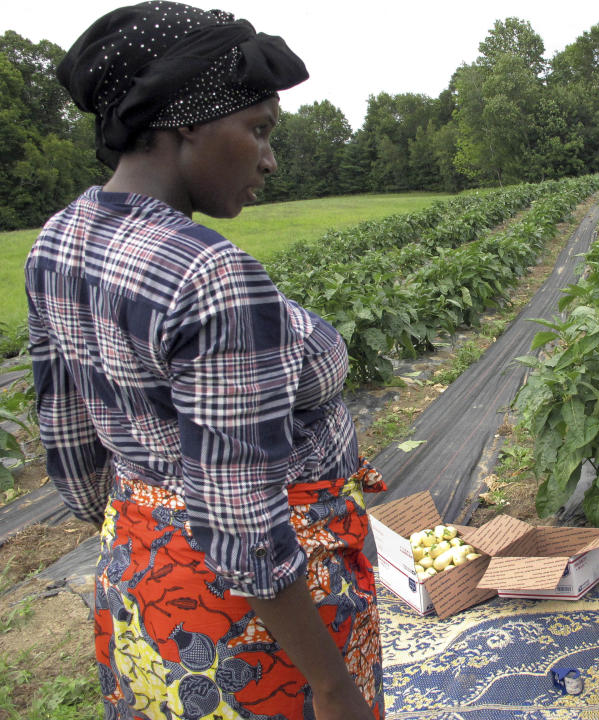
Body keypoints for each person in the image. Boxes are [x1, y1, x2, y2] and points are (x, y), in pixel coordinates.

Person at [25, 3, 385, 718]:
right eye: (258, 129)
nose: (270, 158)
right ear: (185, 120)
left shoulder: (58, 242)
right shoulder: (212, 276)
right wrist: (332, 683)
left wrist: (153, 532)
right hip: (265, 620)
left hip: (146, 577)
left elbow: (69, 445)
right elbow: (244, 526)